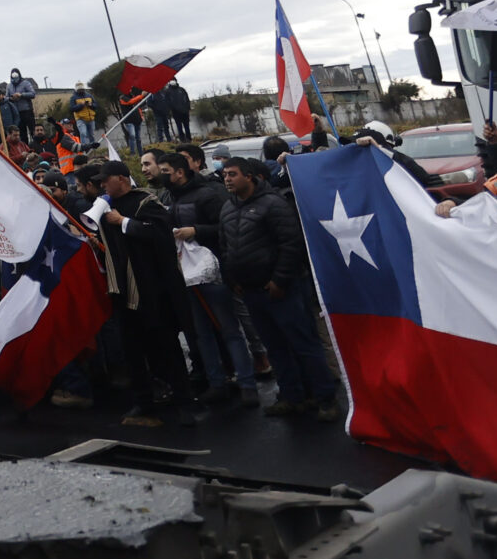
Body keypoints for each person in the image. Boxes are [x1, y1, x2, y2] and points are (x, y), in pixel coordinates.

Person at [219, 158, 337, 419]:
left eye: (232, 174)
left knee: (304, 344)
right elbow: (225, 246)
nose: (226, 179)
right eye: (224, 175)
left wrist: (280, 280)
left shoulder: (273, 204)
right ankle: (291, 396)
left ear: (249, 177)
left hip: (281, 290)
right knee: (275, 346)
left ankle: (325, 398)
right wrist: (233, 278)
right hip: (250, 291)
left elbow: (290, 244)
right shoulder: (227, 208)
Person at [96, 163, 197, 428]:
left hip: (153, 292)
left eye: (106, 180)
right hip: (124, 292)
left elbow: (160, 236)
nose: (103, 186)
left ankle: (184, 402)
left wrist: (124, 222)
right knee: (133, 351)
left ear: (121, 178)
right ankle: (144, 400)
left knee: (166, 348)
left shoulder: (145, 203)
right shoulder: (104, 208)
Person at [150, 148, 250, 405]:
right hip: (185, 274)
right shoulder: (166, 195)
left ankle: (247, 383)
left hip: (212, 273)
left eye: (166, 172)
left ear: (180, 173)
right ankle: (217, 383)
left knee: (229, 330)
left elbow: (226, 227)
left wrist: (196, 230)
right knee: (200, 333)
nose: (161, 177)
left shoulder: (207, 195)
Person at [4, 69, 39, 138]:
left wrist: (21, 95)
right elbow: (6, 98)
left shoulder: (26, 83)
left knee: (32, 130)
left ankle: (36, 145)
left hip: (27, 111)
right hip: (17, 113)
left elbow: (33, 94)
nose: (15, 79)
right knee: (22, 133)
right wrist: (11, 98)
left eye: (16, 76)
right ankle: (24, 146)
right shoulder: (9, 86)